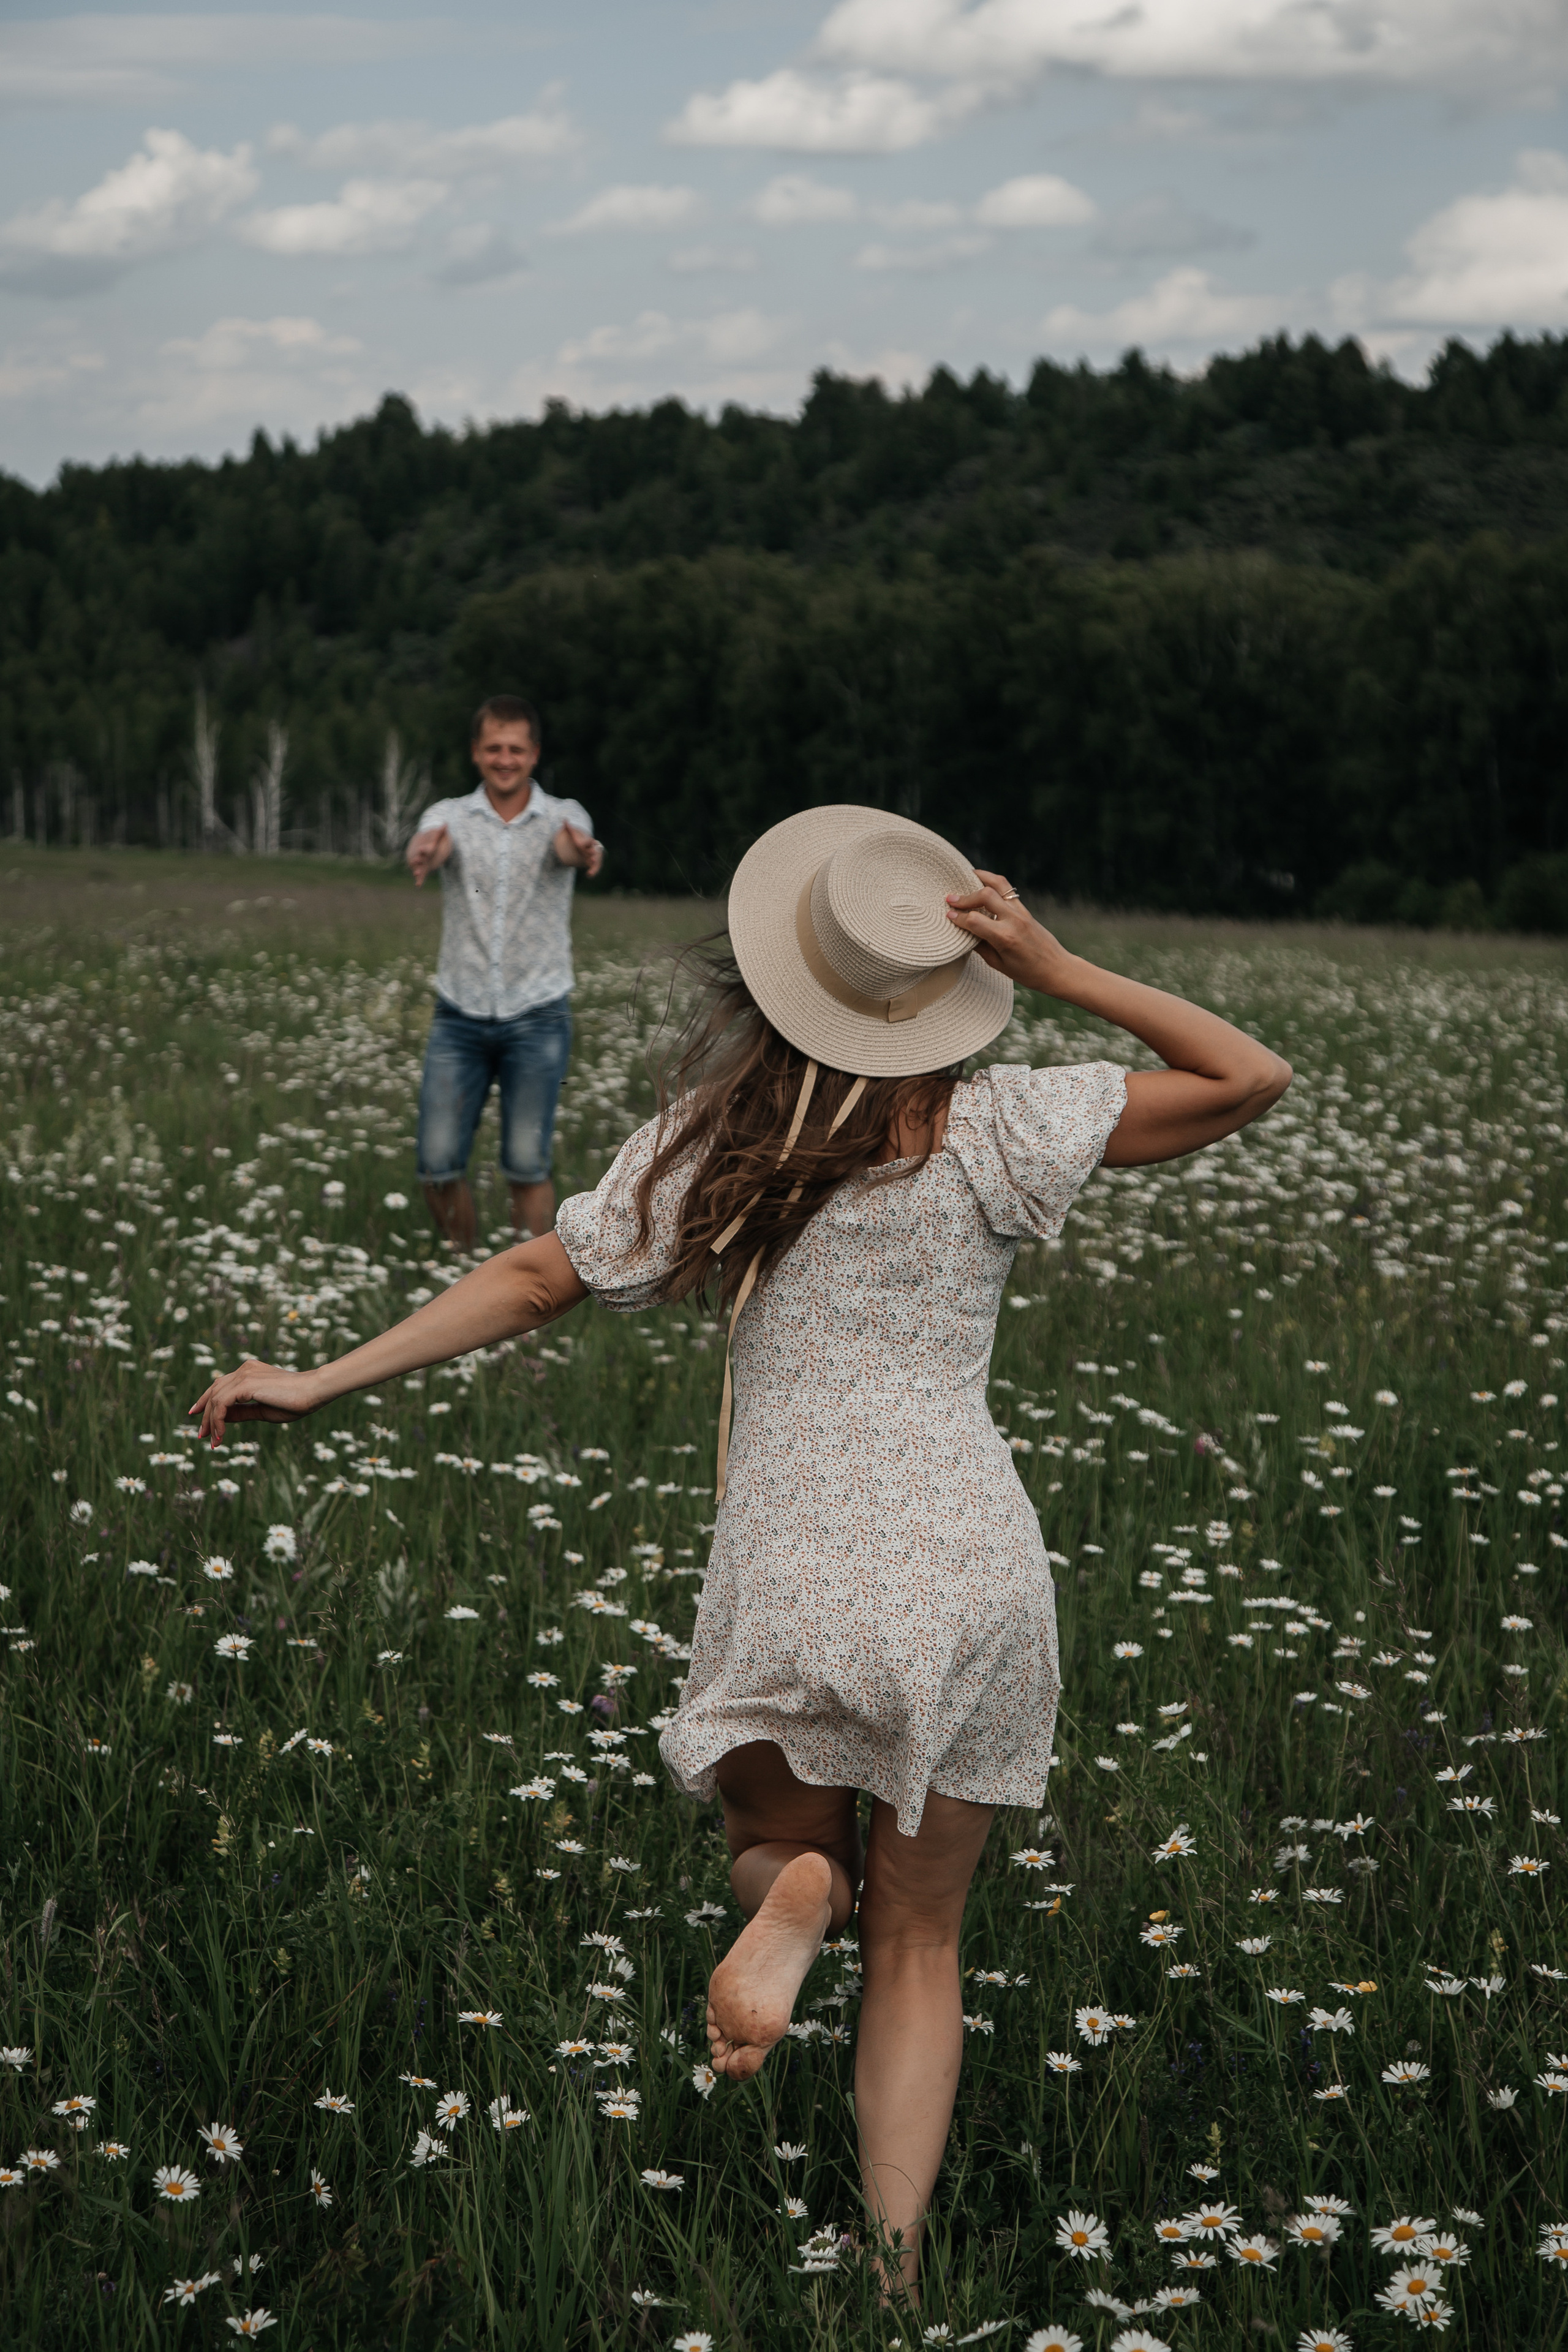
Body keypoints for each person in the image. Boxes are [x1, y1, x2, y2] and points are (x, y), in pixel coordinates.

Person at [190, 805, 1290, 2304]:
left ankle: (795, 1894)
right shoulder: (995, 1125)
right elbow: (1250, 1077)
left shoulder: (724, 1137)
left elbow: (529, 1276)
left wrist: (317, 1376)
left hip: (799, 1555)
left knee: (778, 1849)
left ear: (785, 981)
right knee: (925, 1942)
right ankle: (895, 2273)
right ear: (941, 994)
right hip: (972, 1560)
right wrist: (1060, 963)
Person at [405, 695, 603, 1249]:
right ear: (476, 752)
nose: (505, 759)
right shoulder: (449, 816)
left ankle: (524, 1302)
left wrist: (581, 849)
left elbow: (572, 848)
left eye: (516, 748)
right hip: (459, 1014)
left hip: (538, 1016)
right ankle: (462, 1273)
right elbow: (431, 844)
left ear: (534, 753)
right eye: (494, 748)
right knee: (437, 1163)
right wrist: (425, 851)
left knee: (526, 1162)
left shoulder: (565, 815)